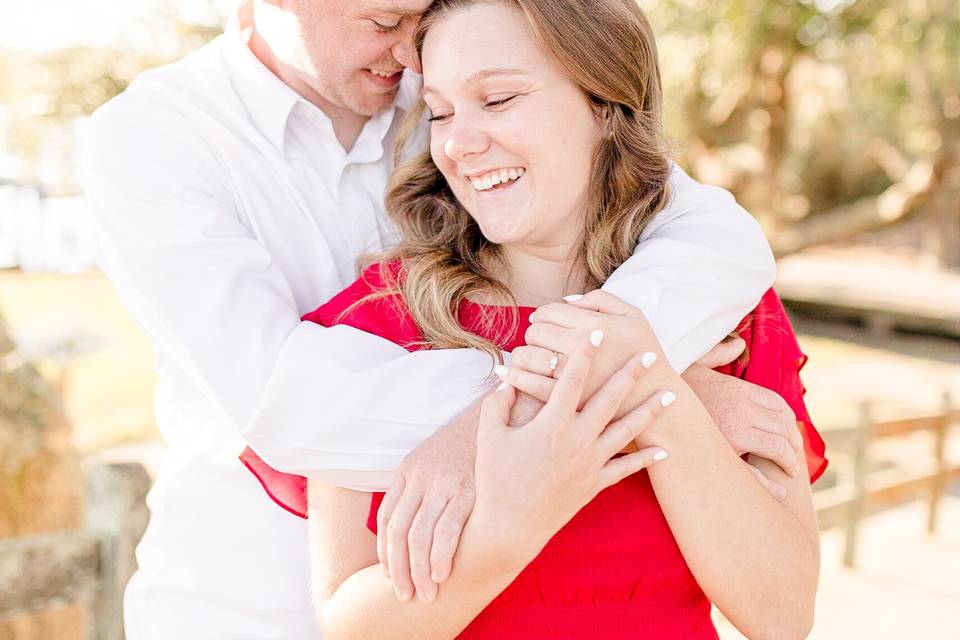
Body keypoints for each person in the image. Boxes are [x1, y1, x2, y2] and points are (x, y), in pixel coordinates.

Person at [83, 1, 808, 638]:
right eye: (385, 20)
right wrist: (619, 391)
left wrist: (645, 385)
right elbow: (290, 407)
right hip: (241, 611)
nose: (409, 50)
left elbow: (716, 232)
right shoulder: (155, 141)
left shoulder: (447, 73)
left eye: (420, 21)